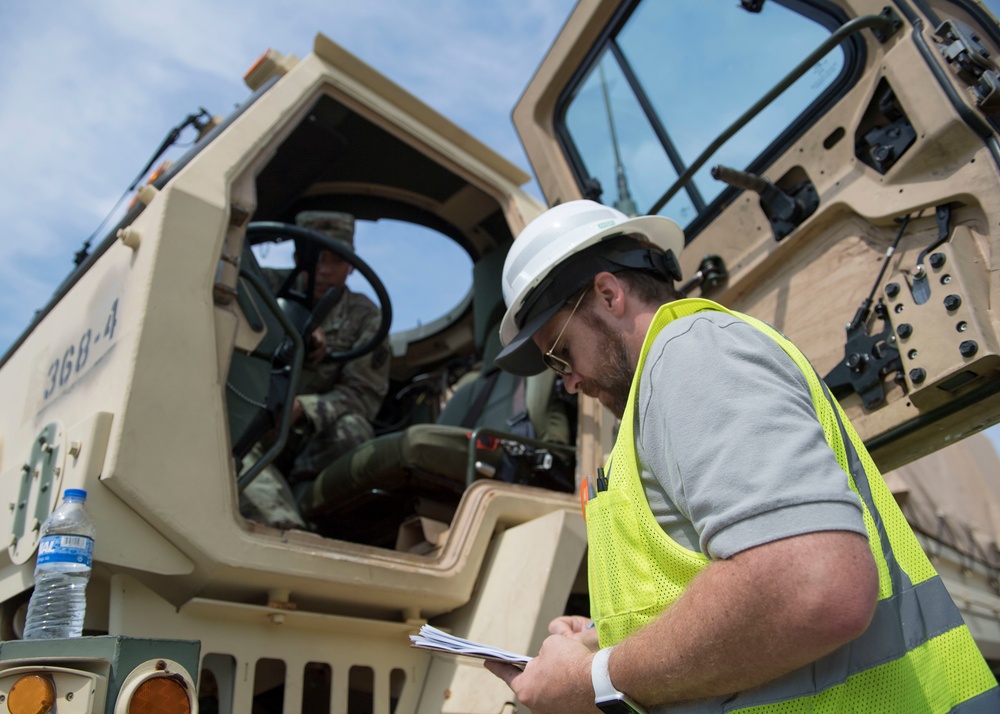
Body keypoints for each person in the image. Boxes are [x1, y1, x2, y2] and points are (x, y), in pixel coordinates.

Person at [484, 200, 998, 713]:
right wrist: (605, 635)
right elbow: (708, 575)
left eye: (560, 354)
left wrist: (590, 680)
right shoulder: (653, 399)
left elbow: (812, 586)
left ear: (608, 294)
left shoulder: (692, 355)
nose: (568, 381)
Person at [240, 210, 391, 529]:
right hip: (252, 417)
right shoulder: (261, 285)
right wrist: (287, 328)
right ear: (297, 257)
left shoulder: (364, 316)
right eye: (314, 257)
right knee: (230, 433)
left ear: (350, 265)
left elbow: (361, 395)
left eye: (336, 260)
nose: (323, 270)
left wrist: (302, 409)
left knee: (354, 429)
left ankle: (301, 506)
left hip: (309, 438)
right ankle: (280, 524)